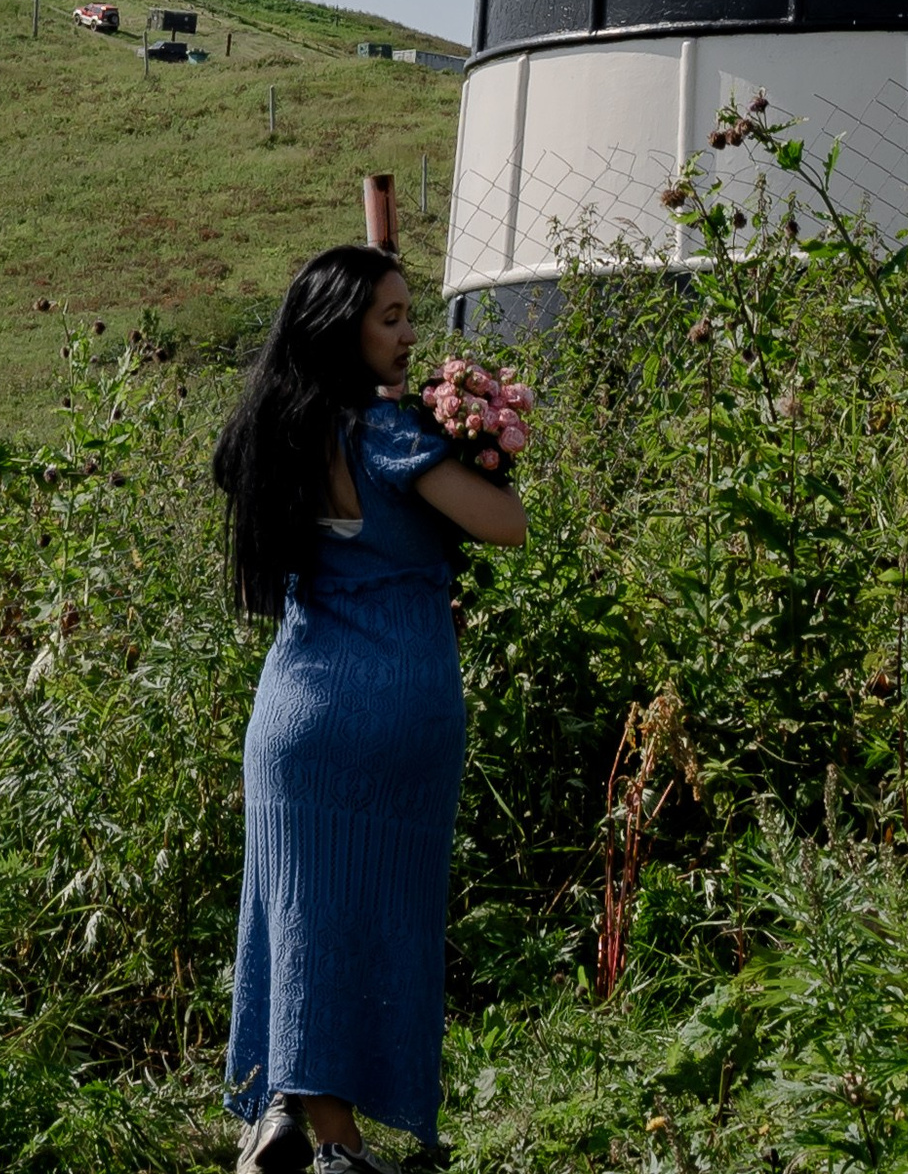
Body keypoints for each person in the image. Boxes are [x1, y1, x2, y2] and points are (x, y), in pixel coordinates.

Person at [212, 243, 527, 1174]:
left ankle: (285, 1108)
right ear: (340, 327)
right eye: (389, 318)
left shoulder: (272, 433)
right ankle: (343, 1151)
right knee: (375, 919)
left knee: (296, 913)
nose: (406, 335)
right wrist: (481, 446)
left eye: (406, 315)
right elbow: (503, 526)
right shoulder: (384, 434)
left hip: (293, 710)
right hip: (391, 705)